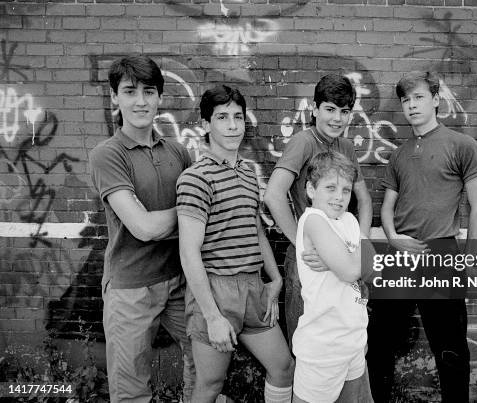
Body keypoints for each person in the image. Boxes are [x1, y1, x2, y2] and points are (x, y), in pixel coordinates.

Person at [367, 71, 477, 402]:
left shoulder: (462, 145)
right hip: (401, 256)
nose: (411, 105)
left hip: (442, 253)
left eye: (418, 97)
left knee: (450, 347)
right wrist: (393, 239)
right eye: (406, 100)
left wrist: (469, 255)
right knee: (378, 342)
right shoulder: (399, 155)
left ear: (436, 99)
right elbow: (387, 208)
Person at [176, 85, 294, 403]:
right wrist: (213, 317)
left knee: (283, 367)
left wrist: (276, 279)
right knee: (211, 384)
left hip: (253, 288)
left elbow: (254, 229)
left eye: (238, 117)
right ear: (205, 124)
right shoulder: (195, 178)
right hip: (215, 291)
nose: (232, 125)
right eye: (222, 117)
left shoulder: (246, 172)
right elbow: (188, 253)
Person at [89, 55, 195, 403]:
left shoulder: (178, 152)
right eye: (129, 91)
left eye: (149, 92)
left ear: (160, 98)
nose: (140, 101)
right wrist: (190, 212)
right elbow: (144, 227)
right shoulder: (108, 154)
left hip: (178, 282)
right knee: (131, 390)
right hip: (130, 289)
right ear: (114, 98)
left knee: (207, 354)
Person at [264, 74, 373, 345]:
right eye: (330, 109)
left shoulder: (346, 146)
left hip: (343, 257)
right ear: (315, 110)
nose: (337, 118)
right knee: (307, 343)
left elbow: (365, 200)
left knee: (340, 339)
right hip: (310, 259)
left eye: (344, 112)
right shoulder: (303, 142)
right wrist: (302, 245)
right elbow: (274, 195)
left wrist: (362, 244)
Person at [292, 151, 373, 403]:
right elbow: (352, 270)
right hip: (323, 347)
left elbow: (370, 270)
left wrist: (340, 261)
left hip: (353, 339)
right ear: (311, 190)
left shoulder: (348, 220)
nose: (339, 197)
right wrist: (353, 257)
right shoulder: (314, 220)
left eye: (346, 190)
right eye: (330, 188)